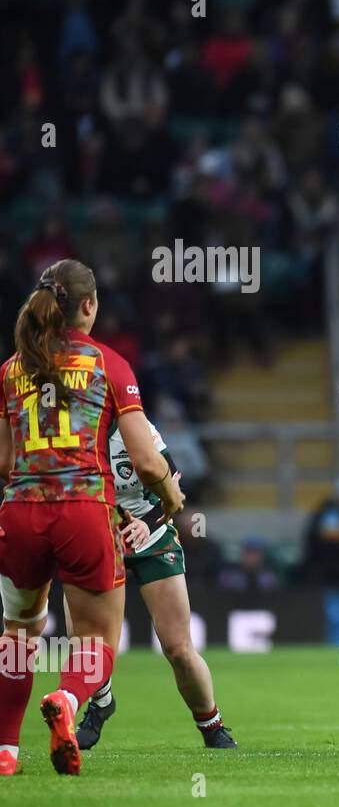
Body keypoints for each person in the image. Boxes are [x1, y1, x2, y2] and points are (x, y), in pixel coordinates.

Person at [0, 259, 183, 776]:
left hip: (20, 513)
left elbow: (3, 462)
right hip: (84, 511)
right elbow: (147, 462)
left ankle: (6, 752)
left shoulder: (11, 369)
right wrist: (170, 497)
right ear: (88, 306)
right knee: (97, 640)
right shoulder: (109, 364)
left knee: (17, 636)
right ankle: (66, 698)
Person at [74, 418, 236, 751]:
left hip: (152, 536)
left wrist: (148, 524)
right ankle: (100, 705)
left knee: (179, 649)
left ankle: (211, 724)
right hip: (95, 538)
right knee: (88, 643)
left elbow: (174, 488)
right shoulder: (71, 430)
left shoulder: (137, 427)